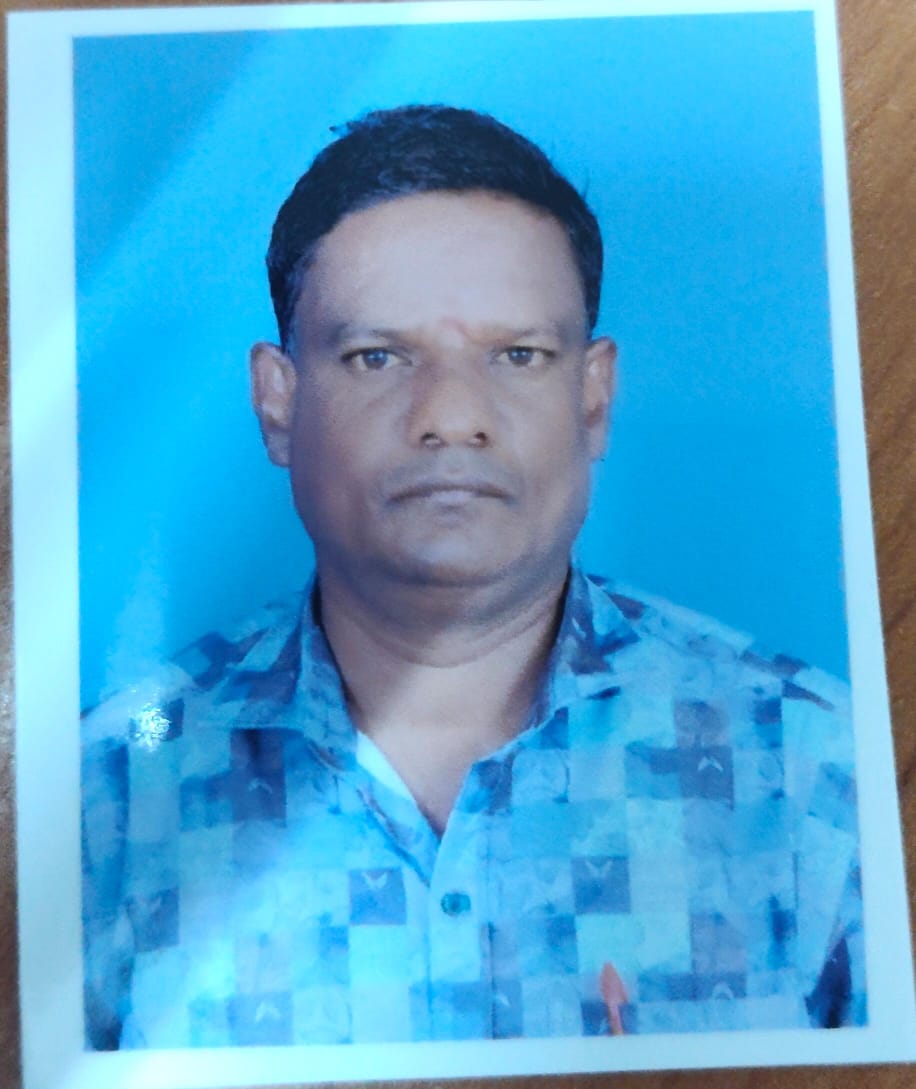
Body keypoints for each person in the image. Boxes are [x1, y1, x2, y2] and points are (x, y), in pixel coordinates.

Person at [81, 105, 864, 1048]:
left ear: (594, 396)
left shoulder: (816, 767)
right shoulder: (106, 794)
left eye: (518, 355)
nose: (452, 417)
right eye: (377, 356)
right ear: (278, 402)